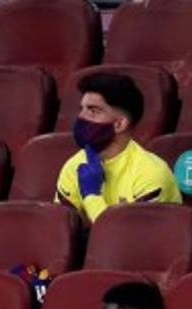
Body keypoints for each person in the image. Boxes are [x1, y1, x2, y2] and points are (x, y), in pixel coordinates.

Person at [56, 72, 181, 225]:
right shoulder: (74, 166)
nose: (82, 117)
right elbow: (63, 229)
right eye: (81, 109)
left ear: (119, 124)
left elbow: (124, 239)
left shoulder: (151, 173)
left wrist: (91, 195)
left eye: (93, 111)